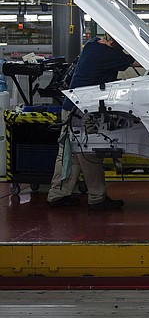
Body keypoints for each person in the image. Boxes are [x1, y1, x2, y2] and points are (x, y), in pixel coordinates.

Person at [46, 33, 139, 210]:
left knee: (69, 153)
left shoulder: (91, 44)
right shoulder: (107, 53)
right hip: (82, 111)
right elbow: (137, 62)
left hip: (71, 107)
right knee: (88, 152)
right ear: (113, 41)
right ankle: (97, 198)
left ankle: (58, 195)